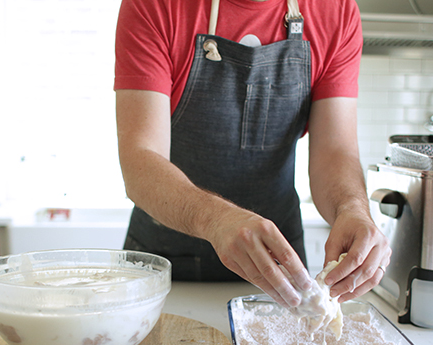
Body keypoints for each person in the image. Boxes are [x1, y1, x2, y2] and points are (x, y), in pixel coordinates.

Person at [114, 0, 391, 308]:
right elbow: (140, 159)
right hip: (166, 271)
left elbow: (335, 152)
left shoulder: (335, 10)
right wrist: (216, 219)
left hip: (280, 273)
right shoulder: (154, 5)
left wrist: (353, 209)